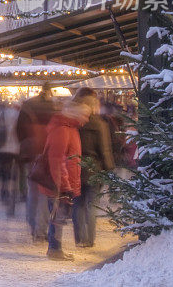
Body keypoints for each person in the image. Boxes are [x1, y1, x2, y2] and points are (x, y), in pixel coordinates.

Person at [41, 98, 92, 261]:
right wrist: (64, 185)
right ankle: (54, 249)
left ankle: (56, 248)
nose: (87, 119)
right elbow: (57, 159)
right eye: (86, 115)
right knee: (58, 215)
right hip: (60, 183)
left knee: (60, 215)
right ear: (77, 114)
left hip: (65, 181)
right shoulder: (63, 130)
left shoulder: (70, 129)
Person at [72, 88, 115, 248]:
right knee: (92, 204)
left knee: (78, 204)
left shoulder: (74, 122)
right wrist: (109, 169)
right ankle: (89, 239)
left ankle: (79, 238)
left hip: (76, 167)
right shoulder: (100, 124)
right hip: (94, 168)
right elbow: (104, 149)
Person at [17, 83, 57, 241]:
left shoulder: (28, 105)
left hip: (31, 152)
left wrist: (25, 146)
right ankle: (41, 228)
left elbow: (19, 130)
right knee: (45, 192)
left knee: (33, 191)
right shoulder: (54, 107)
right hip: (47, 153)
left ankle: (32, 223)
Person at [0, 101, 21, 215]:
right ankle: (14, 190)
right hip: (17, 148)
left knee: (4, 170)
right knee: (15, 171)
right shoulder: (19, 115)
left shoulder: (1, 115)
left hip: (3, 148)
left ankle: (4, 189)